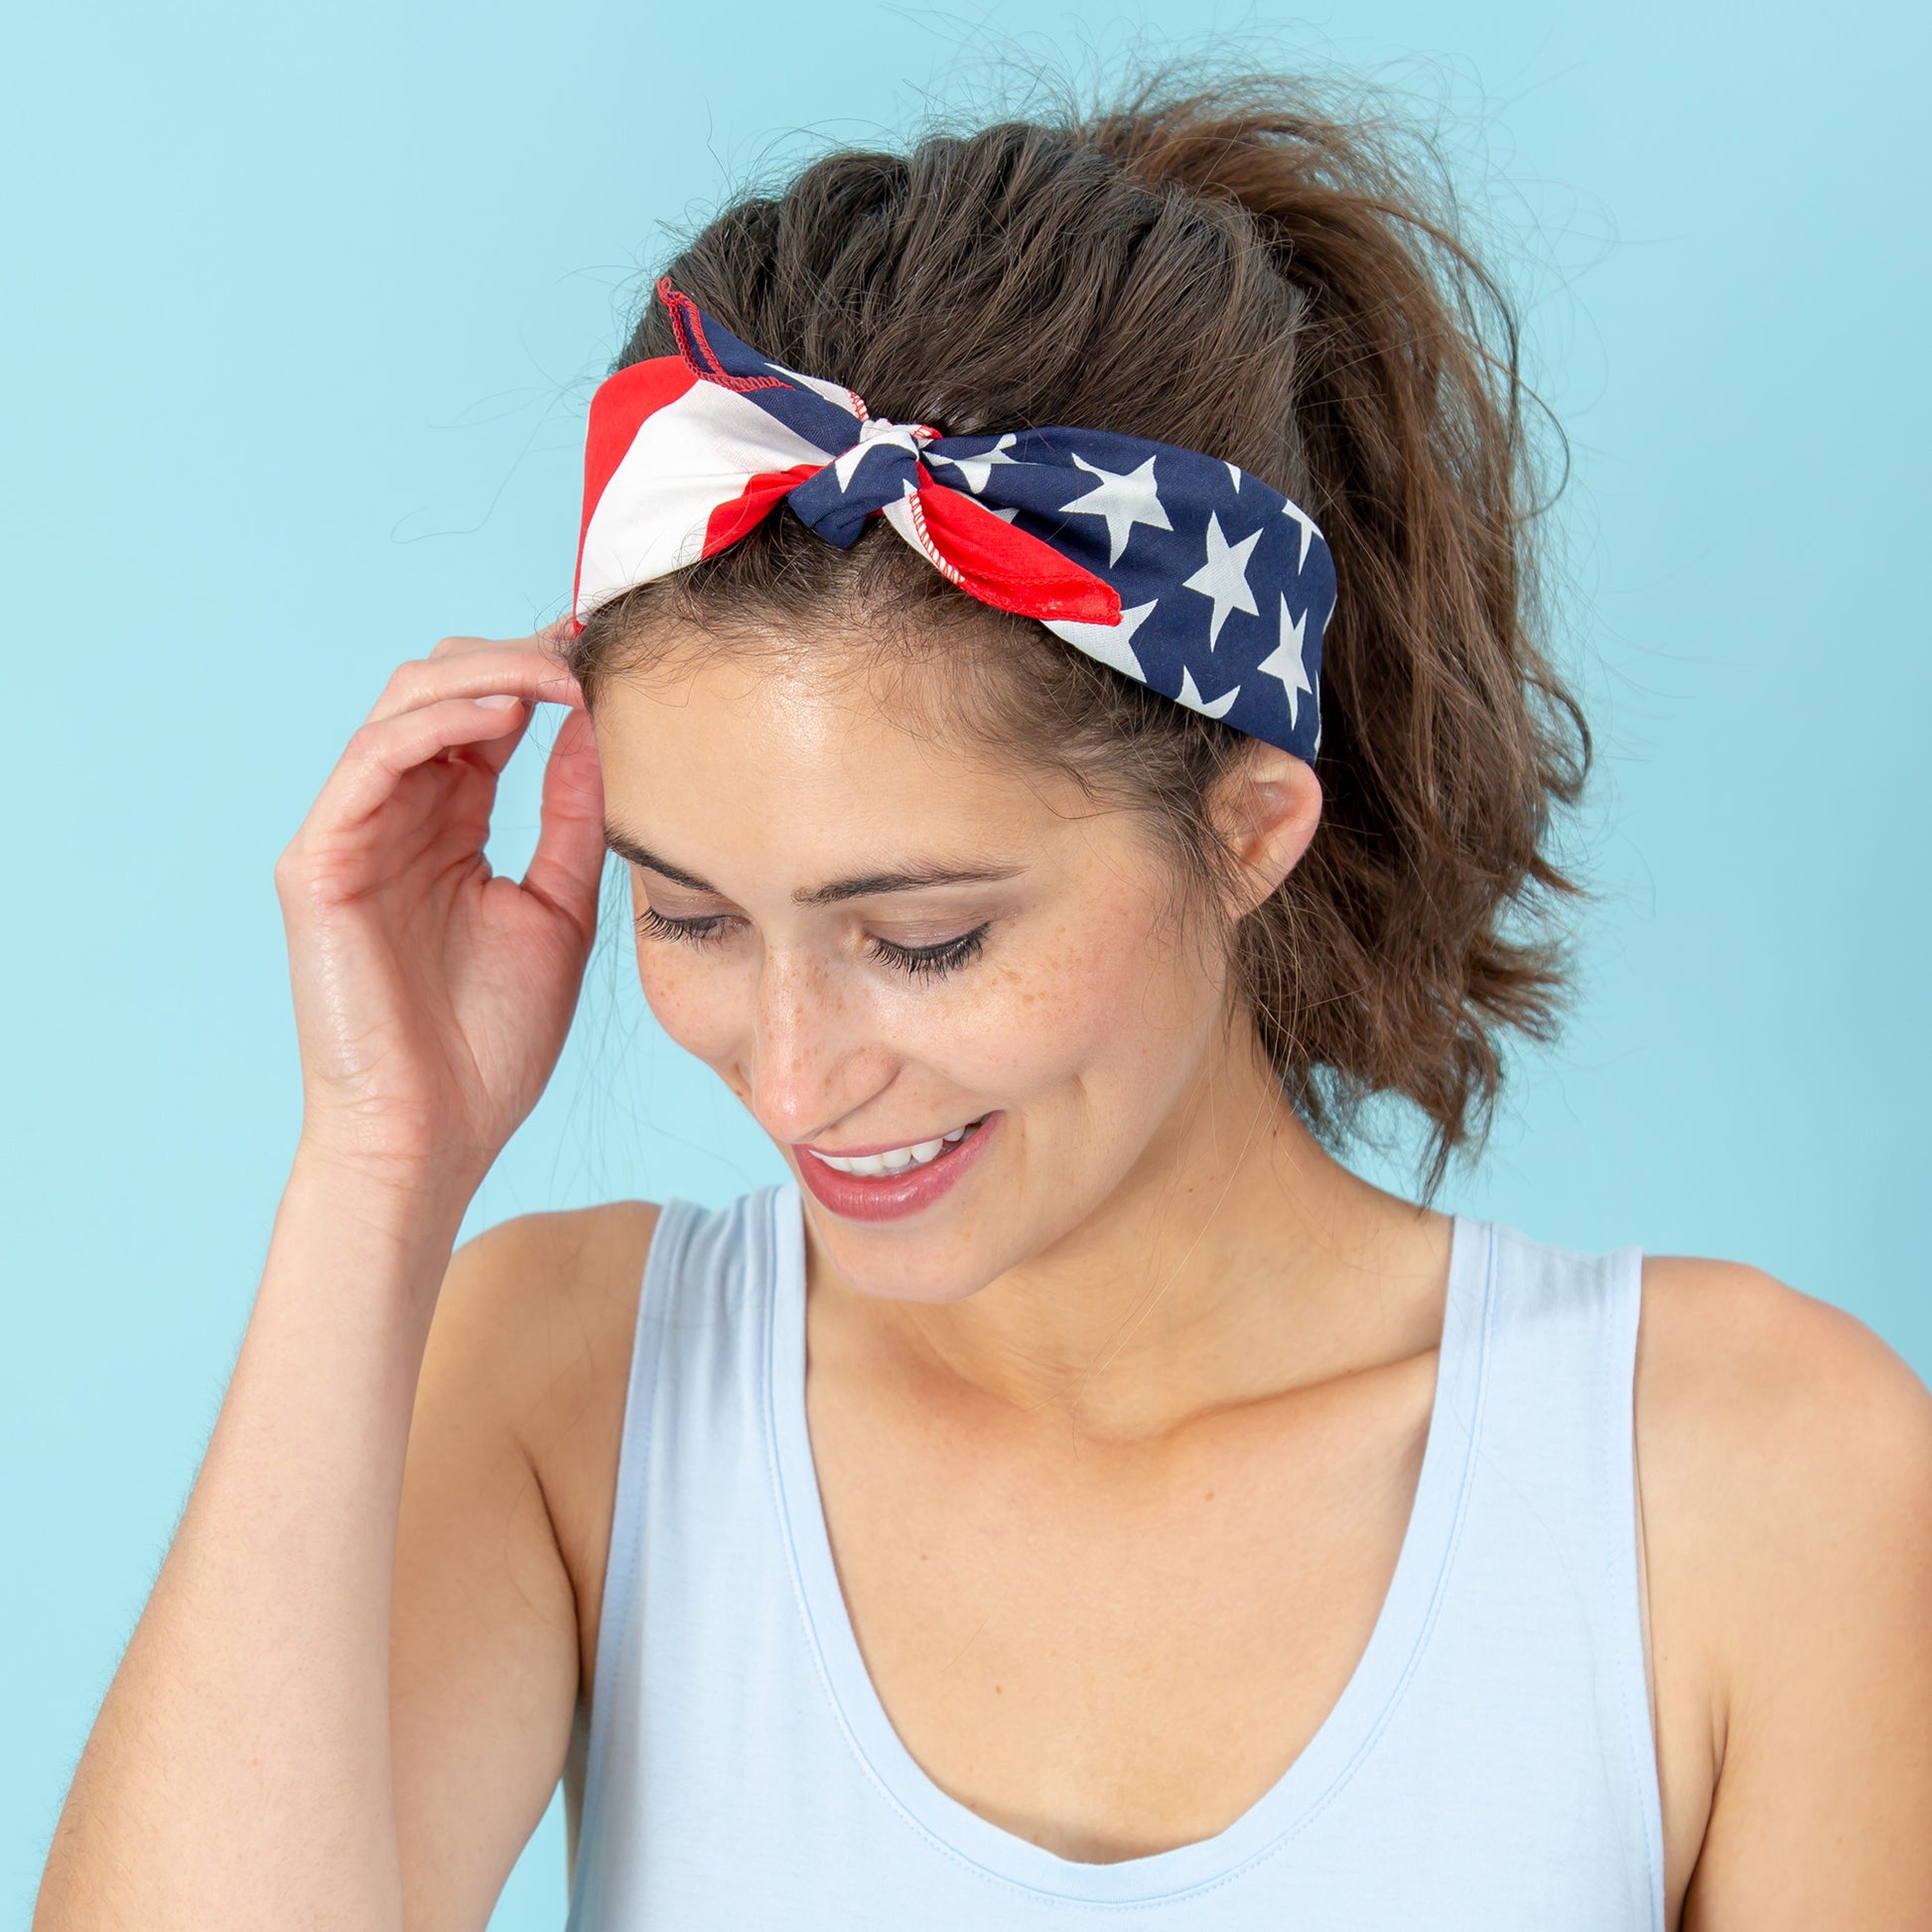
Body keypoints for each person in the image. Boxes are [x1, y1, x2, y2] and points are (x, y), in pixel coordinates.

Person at [32, 74, 1932, 1932]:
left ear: (1246, 831)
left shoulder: (1744, 1476)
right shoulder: (566, 1383)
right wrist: (378, 1166)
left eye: (922, 937)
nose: (793, 1076)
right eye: (689, 914)